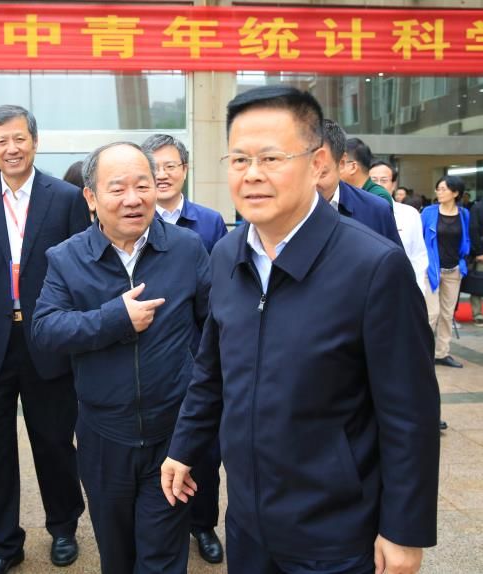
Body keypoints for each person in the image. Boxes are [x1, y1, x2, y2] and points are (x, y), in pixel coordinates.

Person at [161, 85, 440, 574]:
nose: (252, 174)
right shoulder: (226, 255)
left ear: (318, 163)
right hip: (247, 523)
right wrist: (184, 447)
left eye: (271, 158)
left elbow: (410, 414)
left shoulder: (374, 267)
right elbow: (211, 371)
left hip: (335, 532)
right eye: (239, 159)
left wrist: (404, 530)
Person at [33, 142, 211, 573]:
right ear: (91, 197)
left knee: (162, 557)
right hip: (103, 437)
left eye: (142, 185)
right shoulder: (67, 257)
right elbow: (45, 330)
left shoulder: (187, 248)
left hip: (171, 436)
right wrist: (114, 319)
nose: (133, 199)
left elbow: (215, 330)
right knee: (117, 555)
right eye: (117, 188)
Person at [0, 104, 88, 574]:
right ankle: (3, 541)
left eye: (19, 138)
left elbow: (82, 271)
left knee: (54, 441)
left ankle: (63, 527)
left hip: (48, 339)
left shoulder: (66, 198)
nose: (11, 148)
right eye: (1, 141)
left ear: (35, 141)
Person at [141, 133, 226, 564]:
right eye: (153, 166)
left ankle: (203, 524)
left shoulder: (209, 222)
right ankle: (162, 523)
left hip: (196, 354)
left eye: (171, 165)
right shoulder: (132, 218)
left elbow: (219, 292)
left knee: (204, 449)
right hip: (148, 352)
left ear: (185, 171)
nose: (162, 174)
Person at [315, 119, 401, 245]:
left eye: (321, 173)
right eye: (302, 173)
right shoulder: (285, 210)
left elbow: (393, 256)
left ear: (342, 163)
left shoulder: (375, 210)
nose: (311, 182)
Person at [423, 175, 471, 368]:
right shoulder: (429, 212)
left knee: (447, 314)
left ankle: (442, 353)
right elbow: (420, 238)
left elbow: (466, 239)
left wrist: (463, 261)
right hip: (431, 270)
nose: (439, 192)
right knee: (431, 313)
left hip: (453, 270)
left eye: (443, 189)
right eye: (438, 188)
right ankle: (422, 353)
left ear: (455, 193)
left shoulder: (464, 214)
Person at [370, 159, 429, 293]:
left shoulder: (410, 214)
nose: (378, 185)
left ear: (393, 185)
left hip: (401, 287)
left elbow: (418, 255)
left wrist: (418, 288)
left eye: (384, 180)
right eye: (373, 180)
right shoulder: (354, 211)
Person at [341, 137, 394, 206]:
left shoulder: (378, 196)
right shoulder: (346, 192)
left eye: (340, 163)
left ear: (353, 167)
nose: (335, 169)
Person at [469, 196, 483, 326]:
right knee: (479, 283)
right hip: (481, 251)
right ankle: (477, 313)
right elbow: (473, 229)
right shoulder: (478, 207)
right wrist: (479, 252)